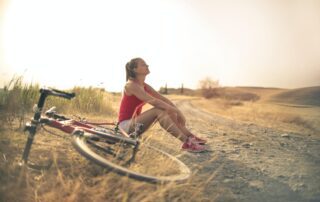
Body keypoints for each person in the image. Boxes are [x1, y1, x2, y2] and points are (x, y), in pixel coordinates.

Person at [117, 57, 207, 152]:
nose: (147, 65)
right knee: (158, 110)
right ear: (135, 69)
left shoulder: (144, 86)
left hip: (135, 126)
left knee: (167, 109)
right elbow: (154, 101)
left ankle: (190, 136)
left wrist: (176, 111)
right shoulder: (130, 85)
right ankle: (187, 142)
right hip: (124, 126)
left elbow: (163, 99)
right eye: (143, 64)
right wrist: (178, 112)